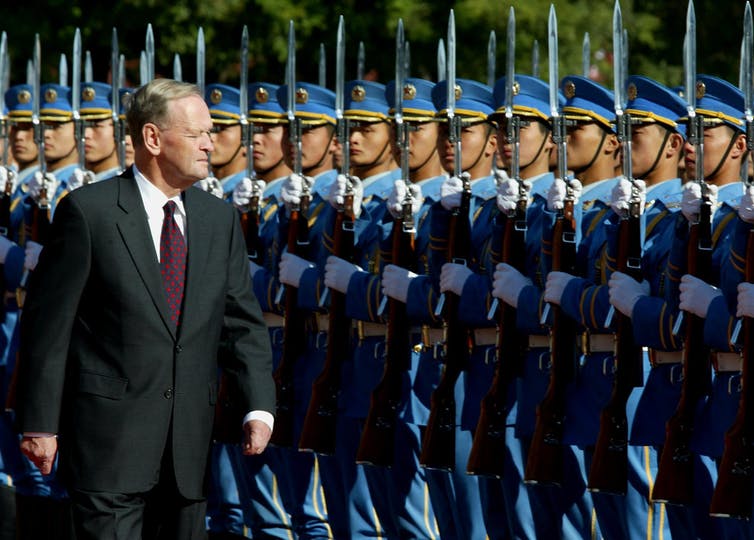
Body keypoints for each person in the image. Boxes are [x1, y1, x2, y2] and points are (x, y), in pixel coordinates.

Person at [14, 78, 275, 540]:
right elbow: (47, 327)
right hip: (107, 446)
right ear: (153, 138)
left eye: (210, 133)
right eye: (197, 134)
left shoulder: (218, 219)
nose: (209, 144)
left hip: (187, 453)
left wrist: (259, 406)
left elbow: (241, 323)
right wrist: (38, 422)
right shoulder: (89, 212)